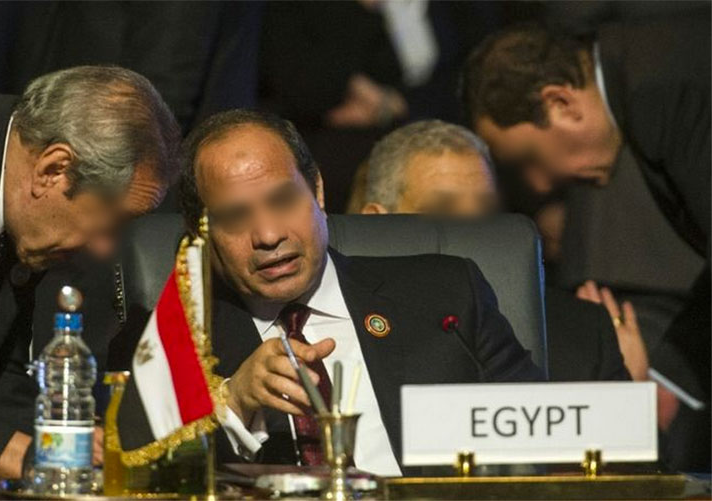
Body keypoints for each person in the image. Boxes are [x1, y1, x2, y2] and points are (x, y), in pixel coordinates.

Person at [165, 109, 543, 475]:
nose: (268, 235)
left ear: (317, 191)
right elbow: (157, 473)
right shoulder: (178, 345)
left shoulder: (445, 294)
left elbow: (541, 431)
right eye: (235, 217)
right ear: (202, 232)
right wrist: (233, 401)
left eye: (283, 200)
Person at [0, 65, 181, 498]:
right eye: (112, 223)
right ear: (54, 168)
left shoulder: (20, 194)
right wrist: (25, 455)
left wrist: (63, 451)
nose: (105, 249)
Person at [461, 20, 710, 408]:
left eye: (529, 159)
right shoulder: (646, 75)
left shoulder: (665, 88)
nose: (541, 185)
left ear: (560, 103)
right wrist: (665, 378)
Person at [360, 120, 631, 383]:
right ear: (376, 222)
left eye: (486, 210)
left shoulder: (583, 334)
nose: (473, 228)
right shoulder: (346, 328)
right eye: (441, 210)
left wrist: (637, 391)